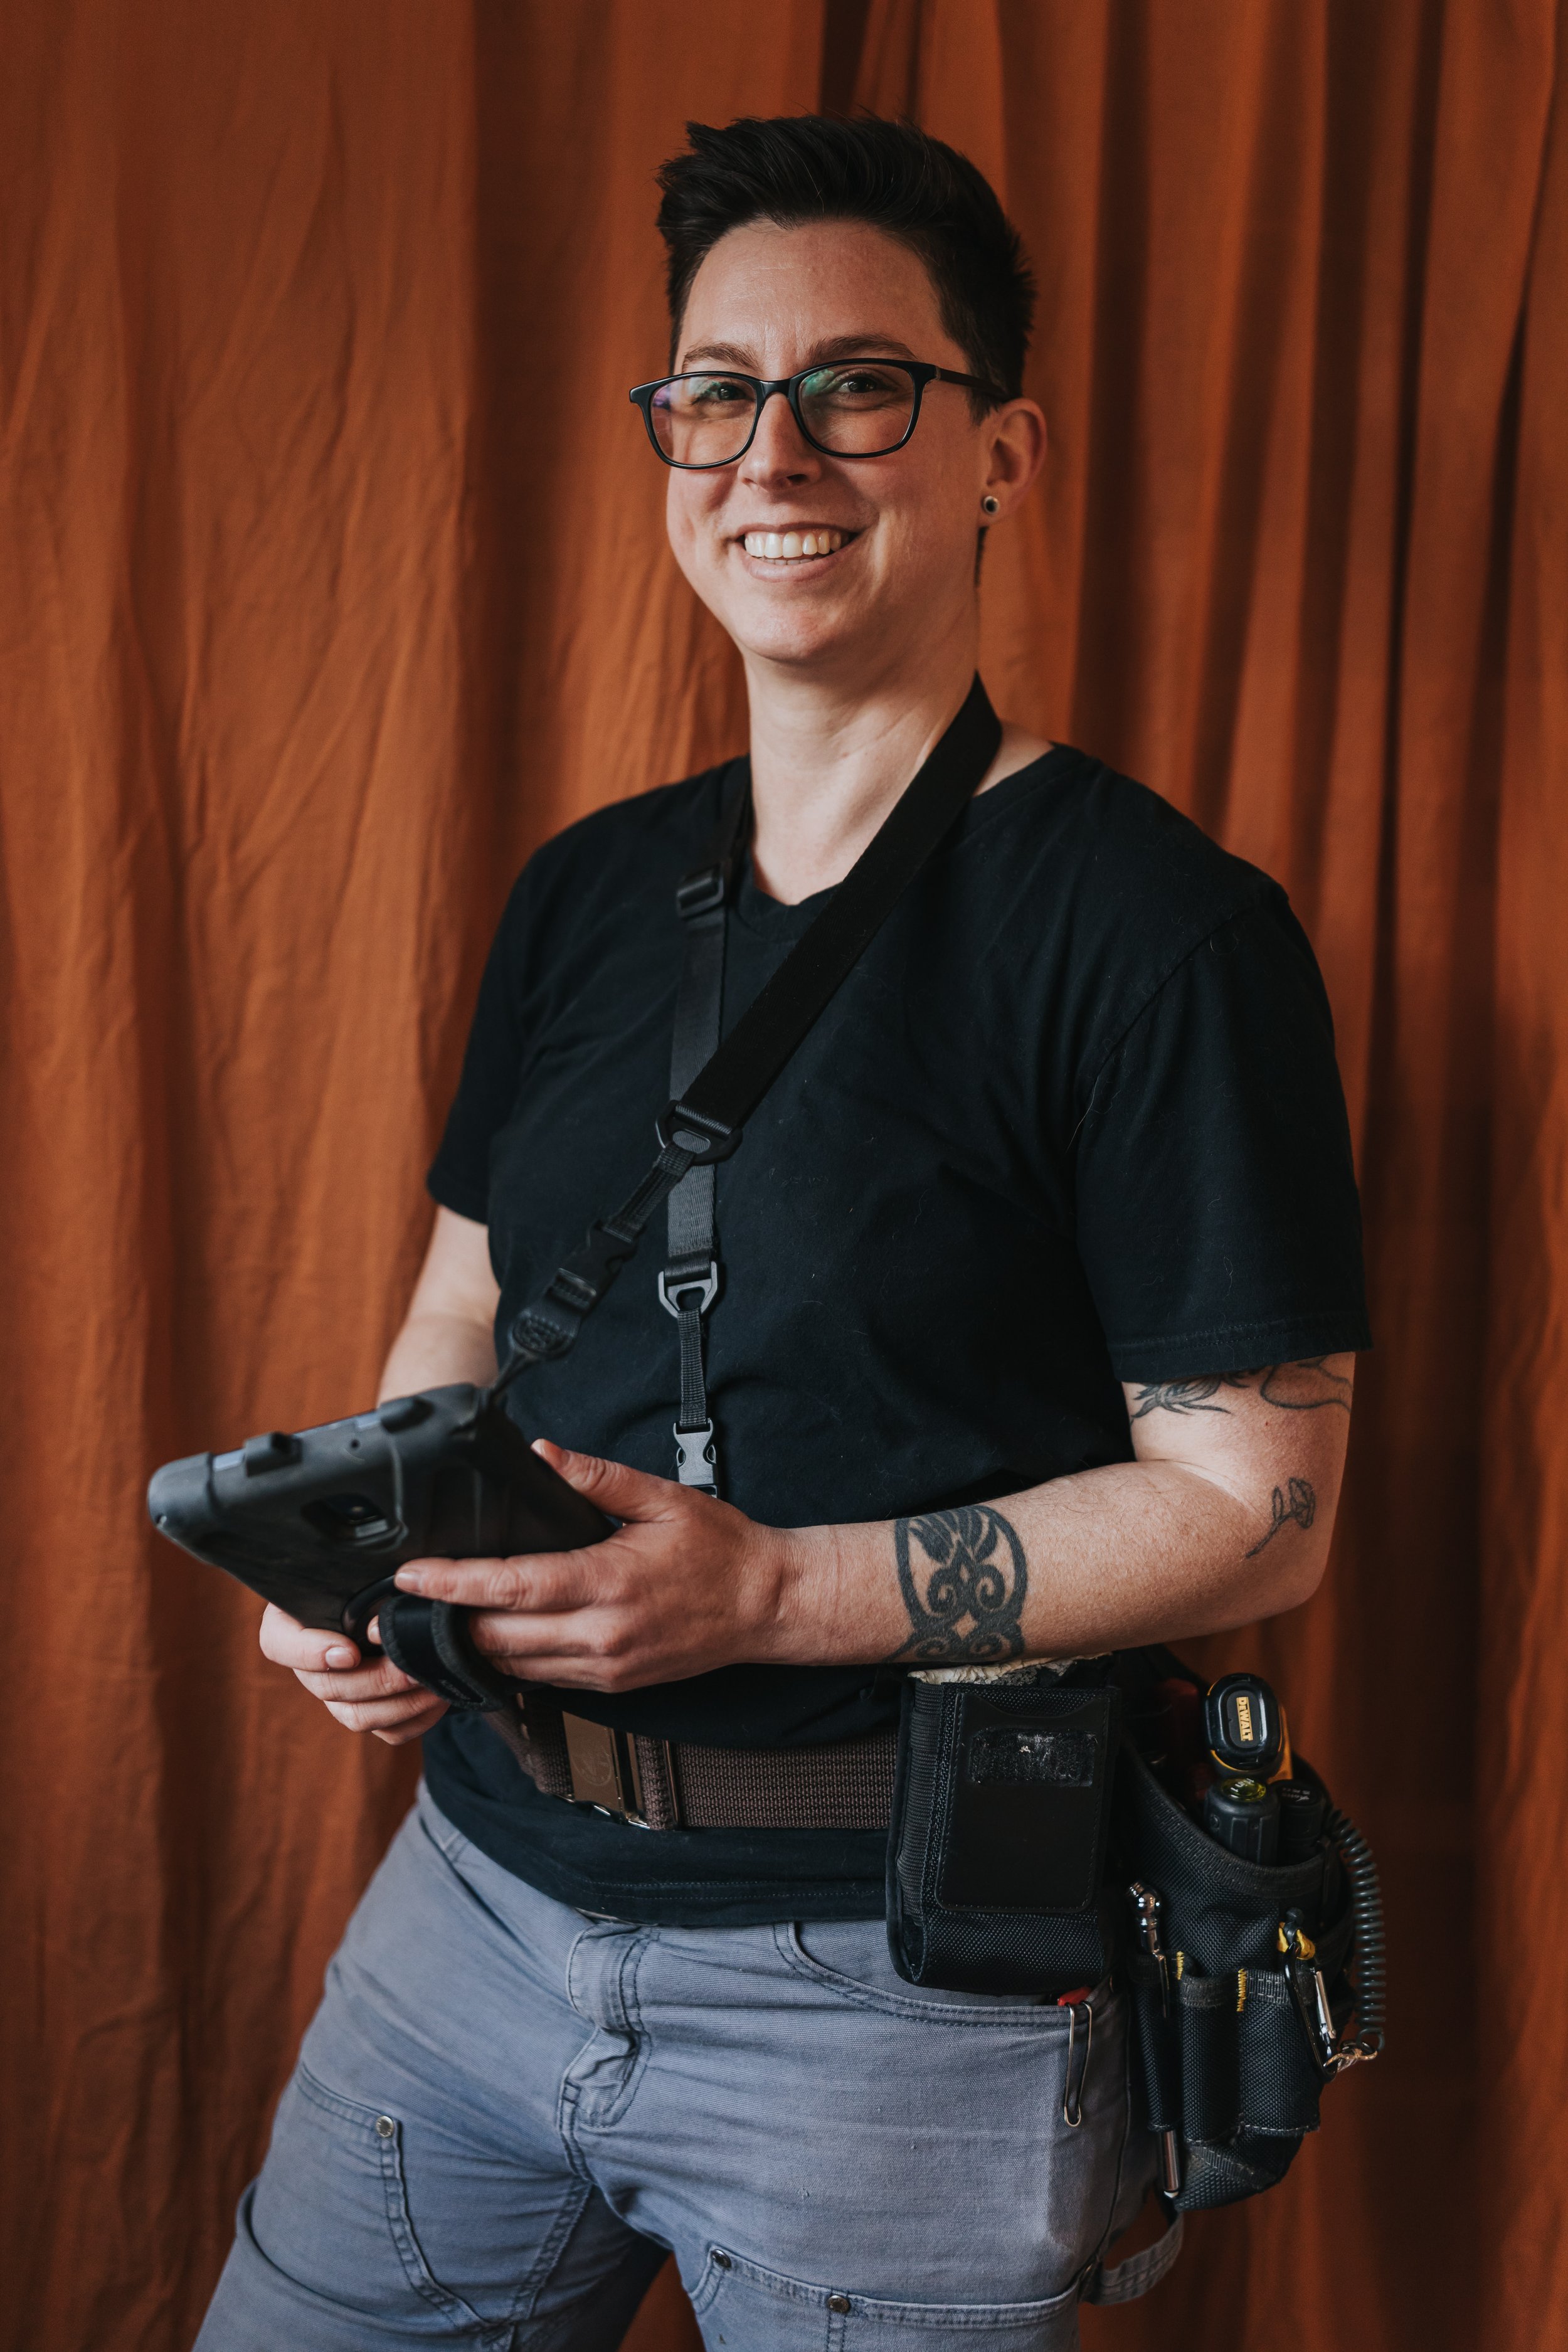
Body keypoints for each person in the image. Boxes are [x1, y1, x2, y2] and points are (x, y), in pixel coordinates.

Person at [197, 114, 1369, 2352]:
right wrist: (379, 1568)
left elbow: (1262, 1510)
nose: (773, 455)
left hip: (898, 2000)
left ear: (999, 451)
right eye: (717, 392)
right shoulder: (578, 889)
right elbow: (466, 1303)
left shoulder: (1165, 936)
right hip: (467, 1909)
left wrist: (767, 1591)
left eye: (857, 386)